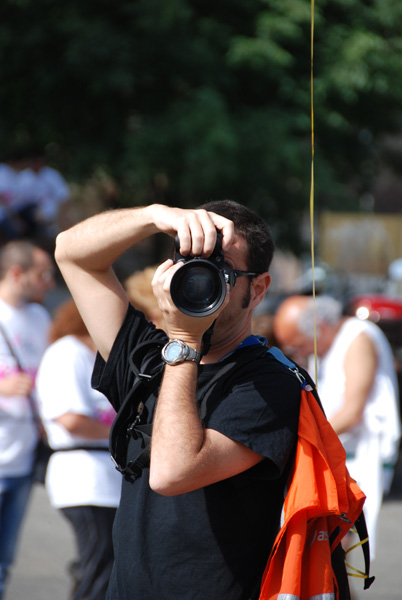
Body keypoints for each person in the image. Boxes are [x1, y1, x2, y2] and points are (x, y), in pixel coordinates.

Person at [54, 200, 318, 600]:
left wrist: (183, 341)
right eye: (189, 262)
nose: (200, 278)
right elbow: (71, 254)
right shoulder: (148, 357)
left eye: (222, 271)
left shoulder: (270, 383)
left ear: (258, 288)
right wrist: (154, 216)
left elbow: (172, 473)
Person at [273, 294, 401, 558]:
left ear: (319, 328)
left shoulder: (358, 338)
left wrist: (301, 439)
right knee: (327, 554)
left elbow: (352, 412)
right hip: (334, 455)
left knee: (332, 553)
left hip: (357, 459)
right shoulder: (324, 344)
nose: (299, 355)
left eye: (298, 347)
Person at [36, 299, 121, 600]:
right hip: (84, 479)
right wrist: (128, 435)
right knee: (100, 568)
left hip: (103, 479)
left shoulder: (96, 355)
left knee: (102, 567)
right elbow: (71, 419)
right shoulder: (68, 352)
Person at [0, 241, 55, 599]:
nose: (49, 282)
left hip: (23, 457)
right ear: (17, 274)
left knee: (4, 561)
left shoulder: (40, 318)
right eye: (42, 274)